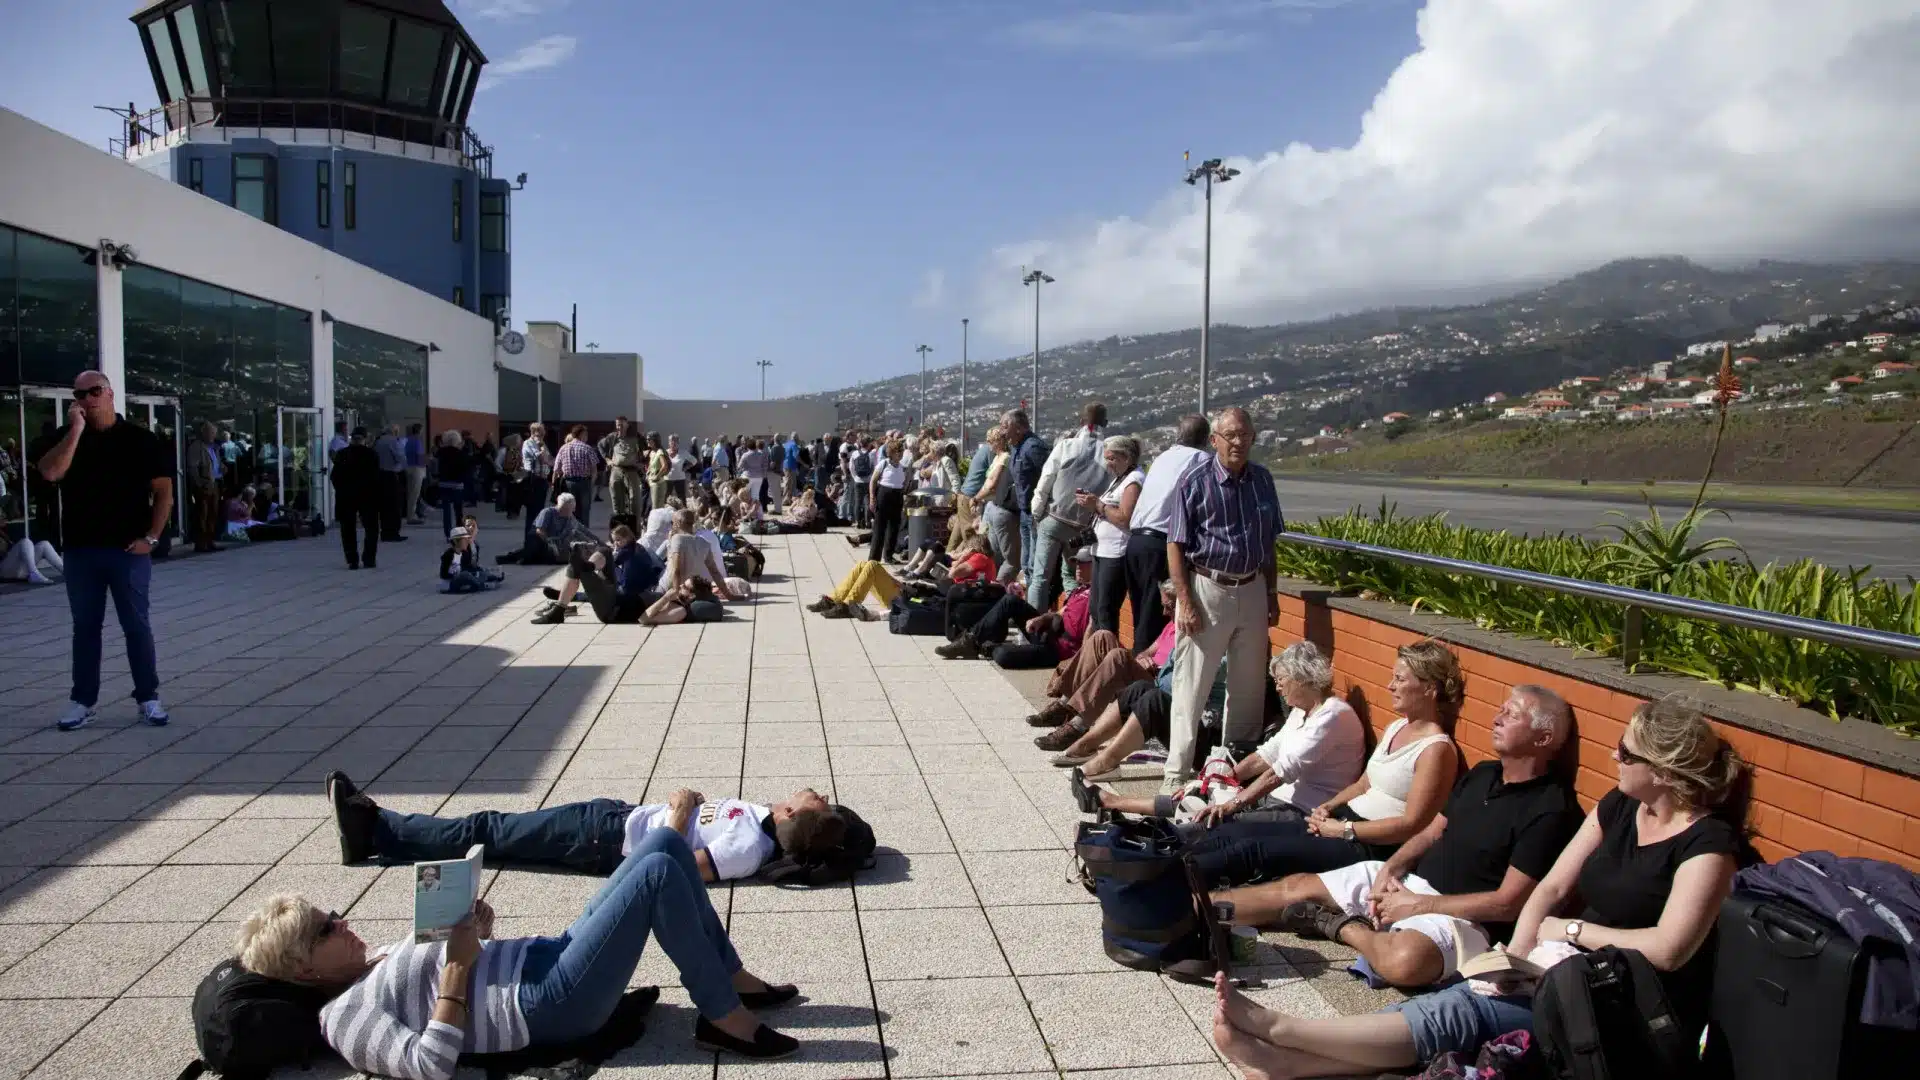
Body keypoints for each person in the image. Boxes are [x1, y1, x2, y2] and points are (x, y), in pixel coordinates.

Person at [1209, 696, 1746, 1079]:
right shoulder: (1619, 807)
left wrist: (1575, 931)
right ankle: (1288, 1061)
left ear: (1665, 770)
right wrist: (1517, 957)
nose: (1614, 759)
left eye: (1627, 755)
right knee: (1469, 998)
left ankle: (1282, 1032)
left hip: (1621, 997)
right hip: (1560, 963)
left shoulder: (1708, 846)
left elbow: (1671, 950)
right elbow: (1551, 888)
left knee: (1457, 1012)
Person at [237, 840, 803, 1076]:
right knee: (654, 875)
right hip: (545, 1005)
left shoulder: (373, 959)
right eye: (323, 930)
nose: (340, 921)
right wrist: (457, 966)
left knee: (664, 845)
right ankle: (724, 1016)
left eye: (330, 914)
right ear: (305, 969)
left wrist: (475, 930)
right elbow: (430, 1064)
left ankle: (732, 976)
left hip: (543, 959)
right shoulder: (343, 1019)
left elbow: (459, 962)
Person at [1212, 685, 1581, 990]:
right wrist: (1391, 868)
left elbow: (1507, 904)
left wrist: (1418, 906)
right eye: (1500, 708)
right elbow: (1432, 831)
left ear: (1544, 738)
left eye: (1512, 714)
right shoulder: (1484, 773)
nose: (1497, 718)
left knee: (1405, 963)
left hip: (1463, 919)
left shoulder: (1552, 809)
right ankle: (1193, 909)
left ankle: (1342, 926)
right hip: (1410, 884)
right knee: (1294, 887)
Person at [1175, 640, 1462, 889]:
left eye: (1400, 679)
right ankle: (1161, 863)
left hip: (1367, 844)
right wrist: (1328, 808)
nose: (1390, 686)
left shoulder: (1435, 750)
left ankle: (1175, 886)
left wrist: (1344, 829)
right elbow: (1364, 784)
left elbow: (1411, 825)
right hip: (1338, 821)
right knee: (1233, 832)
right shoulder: (1397, 727)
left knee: (1253, 849)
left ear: (1430, 689)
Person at [329, 770, 842, 882]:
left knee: (489, 829)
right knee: (496, 835)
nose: (814, 789)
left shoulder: (747, 848)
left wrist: (681, 808)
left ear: (794, 814)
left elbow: (673, 867)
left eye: (816, 799)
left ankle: (375, 828)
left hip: (601, 840)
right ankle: (390, 840)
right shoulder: (756, 825)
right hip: (610, 819)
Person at [1086, 641, 1364, 818]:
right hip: (1277, 798)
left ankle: (1115, 805)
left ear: (1303, 678)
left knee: (1211, 813)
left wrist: (1235, 802)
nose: (1278, 687)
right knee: (1200, 795)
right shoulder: (1301, 713)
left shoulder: (1332, 715)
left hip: (1300, 809)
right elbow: (1265, 756)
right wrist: (1218, 779)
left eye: (1282, 680)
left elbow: (1278, 773)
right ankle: (1112, 803)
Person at [38, 371, 173, 731]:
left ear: (111, 393)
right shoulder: (67, 439)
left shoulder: (140, 440)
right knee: (85, 628)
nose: (87, 398)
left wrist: (154, 538)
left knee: (136, 626)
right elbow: (50, 473)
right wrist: (76, 432)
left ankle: (148, 697)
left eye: (95, 391)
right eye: (79, 394)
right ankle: (82, 701)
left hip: (127, 550)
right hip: (81, 551)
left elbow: (164, 492)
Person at [1165, 406, 1285, 789]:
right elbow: (1175, 545)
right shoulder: (1195, 482)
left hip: (1252, 589)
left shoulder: (1263, 481)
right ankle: (1176, 774)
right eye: (1230, 435)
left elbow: (1269, 544)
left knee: (1248, 687)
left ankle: (1231, 771)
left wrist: (1272, 592)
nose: (1238, 441)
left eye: (1245, 435)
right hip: (1207, 589)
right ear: (1214, 440)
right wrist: (1185, 600)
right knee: (1192, 685)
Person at [936, 546, 1094, 668]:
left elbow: (1093, 630)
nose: (1078, 567)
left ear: (1096, 566)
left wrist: (1080, 663)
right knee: (1010, 600)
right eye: (1077, 563)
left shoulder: (1097, 595)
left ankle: (985, 647)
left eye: (1084, 564)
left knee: (1003, 655)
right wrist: (1041, 618)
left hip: (1059, 650)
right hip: (1049, 633)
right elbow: (1059, 612)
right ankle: (969, 641)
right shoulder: (1077, 590)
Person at [1128, 414, 1208, 649]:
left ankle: (1133, 670)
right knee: (1154, 619)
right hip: (1161, 544)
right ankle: (1140, 677)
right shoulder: (1201, 459)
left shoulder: (1163, 456)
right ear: (1205, 439)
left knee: (1140, 615)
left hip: (1136, 542)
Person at [1028, 402, 1109, 611]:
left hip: (1054, 520)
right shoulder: (1108, 453)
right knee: (1073, 577)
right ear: (1106, 423)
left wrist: (1036, 514)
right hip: (1084, 527)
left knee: (1040, 578)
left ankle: (1030, 630)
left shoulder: (1066, 446)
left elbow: (1046, 480)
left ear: (1081, 422)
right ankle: (1072, 622)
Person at [532, 523, 664, 624]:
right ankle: (585, 570)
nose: (616, 544)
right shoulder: (636, 549)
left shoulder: (630, 554)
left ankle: (563, 604)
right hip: (616, 600)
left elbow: (626, 588)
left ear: (628, 537)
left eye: (618, 540)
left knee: (578, 566)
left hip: (612, 608)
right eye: (614, 541)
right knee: (602, 554)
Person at [1077, 435, 1143, 635]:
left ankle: (1107, 660)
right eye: (1106, 458)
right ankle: (1097, 656)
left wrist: (1097, 504)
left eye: (1112, 458)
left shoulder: (1134, 481)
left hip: (1116, 554)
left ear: (1127, 457)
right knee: (1096, 610)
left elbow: (1125, 518)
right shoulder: (1120, 479)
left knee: (1106, 611)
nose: (1108, 464)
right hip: (1102, 551)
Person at [1004, 409, 1049, 587]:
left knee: (1033, 561)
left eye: (1005, 426)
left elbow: (1049, 476)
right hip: (1024, 511)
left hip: (1036, 512)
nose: (1002, 431)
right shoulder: (1016, 447)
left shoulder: (1033, 447)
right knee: (1025, 561)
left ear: (1019, 428)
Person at [331, 426, 381, 570]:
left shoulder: (342, 454)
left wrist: (341, 490)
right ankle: (369, 559)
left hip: (346, 496)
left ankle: (352, 559)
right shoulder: (371, 455)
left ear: (352, 438)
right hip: (367, 496)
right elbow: (376, 478)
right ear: (365, 439)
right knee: (371, 528)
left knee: (347, 529)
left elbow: (334, 477)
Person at [498, 492, 591, 565]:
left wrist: (597, 542)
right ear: (562, 507)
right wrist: (551, 544)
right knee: (533, 551)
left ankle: (529, 559)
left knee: (561, 559)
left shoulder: (569, 516)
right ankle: (511, 558)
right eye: (569, 509)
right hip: (540, 540)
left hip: (554, 543)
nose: (572, 511)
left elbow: (583, 530)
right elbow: (540, 531)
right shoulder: (547, 512)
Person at [867, 437, 909, 564]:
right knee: (880, 527)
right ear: (891, 452)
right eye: (898, 451)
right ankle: (874, 558)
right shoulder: (884, 463)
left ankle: (889, 555)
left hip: (897, 496)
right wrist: (872, 497)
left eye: (902, 451)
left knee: (894, 527)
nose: (901, 454)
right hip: (884, 495)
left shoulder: (902, 467)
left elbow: (904, 482)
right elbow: (873, 481)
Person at [183, 421, 223, 552]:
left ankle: (210, 541)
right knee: (202, 515)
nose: (213, 435)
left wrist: (222, 469)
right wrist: (200, 484)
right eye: (211, 432)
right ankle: (201, 543)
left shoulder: (213, 447)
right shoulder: (196, 447)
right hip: (204, 485)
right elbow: (192, 468)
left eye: (214, 433)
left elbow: (215, 463)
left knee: (213, 514)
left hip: (214, 483)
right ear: (203, 433)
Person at [553, 426, 602, 530]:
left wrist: (554, 484)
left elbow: (557, 469)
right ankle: (583, 535)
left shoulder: (563, 448)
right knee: (584, 512)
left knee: (569, 510)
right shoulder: (587, 448)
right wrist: (591, 483)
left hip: (568, 482)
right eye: (586, 435)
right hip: (584, 482)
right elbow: (594, 470)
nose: (587, 437)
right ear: (582, 434)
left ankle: (569, 534)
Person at [603, 418, 645, 522]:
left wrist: (643, 463)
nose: (619, 427)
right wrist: (607, 460)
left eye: (621, 425)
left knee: (634, 499)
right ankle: (620, 525)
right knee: (617, 498)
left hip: (632, 471)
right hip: (616, 470)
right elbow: (601, 446)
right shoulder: (612, 437)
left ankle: (635, 526)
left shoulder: (636, 436)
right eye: (617, 425)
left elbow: (648, 448)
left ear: (627, 425)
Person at [440, 527, 503, 593]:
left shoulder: (464, 553)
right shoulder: (448, 555)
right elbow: (443, 574)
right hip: (450, 583)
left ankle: (492, 578)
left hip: (464, 578)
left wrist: (477, 571)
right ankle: (480, 584)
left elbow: (468, 567)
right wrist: (457, 574)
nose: (467, 542)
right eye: (464, 539)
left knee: (480, 572)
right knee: (465, 574)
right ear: (456, 541)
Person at [373, 424, 409, 541]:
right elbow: (400, 457)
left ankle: (385, 531)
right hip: (391, 474)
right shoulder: (393, 441)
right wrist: (404, 468)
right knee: (394, 505)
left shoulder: (378, 441)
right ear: (394, 432)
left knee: (384, 506)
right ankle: (393, 532)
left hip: (379, 475)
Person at [435, 430, 470, 538]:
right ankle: (459, 532)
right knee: (458, 510)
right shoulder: (461, 454)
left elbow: (436, 467)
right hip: (457, 484)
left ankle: (448, 533)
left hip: (444, 483)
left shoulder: (440, 452)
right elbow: (465, 470)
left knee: (446, 510)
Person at [404, 423, 429, 524]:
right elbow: (419, 456)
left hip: (409, 467)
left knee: (411, 493)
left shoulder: (408, 440)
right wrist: (426, 462)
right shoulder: (417, 441)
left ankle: (411, 513)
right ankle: (411, 516)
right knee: (414, 494)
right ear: (420, 430)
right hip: (416, 469)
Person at [781, 431, 802, 502]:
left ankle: (788, 499)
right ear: (796, 438)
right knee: (790, 483)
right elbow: (796, 456)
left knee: (789, 483)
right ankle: (785, 499)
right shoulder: (794, 445)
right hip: (791, 466)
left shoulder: (785, 444)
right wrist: (804, 464)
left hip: (785, 466)